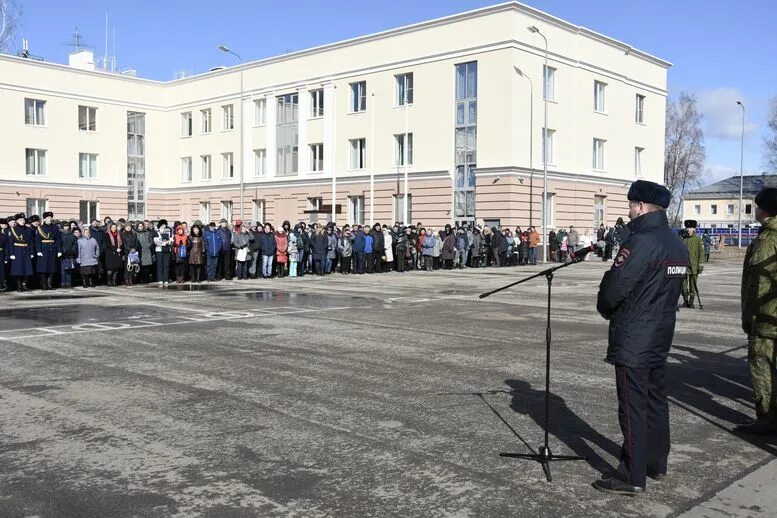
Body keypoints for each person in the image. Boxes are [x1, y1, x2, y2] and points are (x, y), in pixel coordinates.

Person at [594, 180, 688, 495]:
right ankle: (656, 463)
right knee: (656, 400)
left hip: (635, 333)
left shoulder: (640, 241)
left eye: (631, 205)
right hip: (661, 331)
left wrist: (604, 305)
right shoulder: (676, 242)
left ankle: (632, 475)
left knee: (633, 406)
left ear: (642, 206)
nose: (630, 210)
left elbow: (615, 289)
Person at [739, 187, 777, 436]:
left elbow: (758, 285)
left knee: (762, 368)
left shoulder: (767, 240)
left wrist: (750, 318)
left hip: (767, 319)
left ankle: (767, 420)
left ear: (763, 209)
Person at [680, 220, 704, 309]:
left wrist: (700, 265)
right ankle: (685, 301)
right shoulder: (683, 239)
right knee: (683, 285)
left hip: (694, 266)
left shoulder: (698, 239)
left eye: (691, 228)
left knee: (693, 286)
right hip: (684, 266)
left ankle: (691, 302)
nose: (689, 229)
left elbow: (701, 253)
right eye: (687, 228)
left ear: (694, 229)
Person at [34, 211, 61, 290]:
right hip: (43, 250)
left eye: (50, 218)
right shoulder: (40, 228)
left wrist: (59, 250)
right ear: (44, 219)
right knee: (43, 269)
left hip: (52, 249)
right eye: (48, 218)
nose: (49, 219)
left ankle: (49, 284)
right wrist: (38, 250)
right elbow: (37, 240)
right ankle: (44, 285)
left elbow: (58, 240)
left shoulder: (55, 228)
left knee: (51, 268)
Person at [8, 213, 35, 291]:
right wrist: (12, 253)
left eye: (23, 220)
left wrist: (32, 252)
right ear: (17, 221)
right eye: (20, 220)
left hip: (26, 250)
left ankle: (24, 284)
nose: (22, 221)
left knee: (27, 269)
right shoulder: (12, 229)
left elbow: (30, 242)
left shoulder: (28, 229)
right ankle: (19, 285)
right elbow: (10, 243)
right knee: (18, 269)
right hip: (17, 250)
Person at [153, 219, 172, 287]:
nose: (164, 226)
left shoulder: (169, 231)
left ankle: (166, 279)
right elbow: (156, 241)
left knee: (166, 265)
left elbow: (171, 239)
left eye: (165, 225)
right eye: (162, 225)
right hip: (159, 250)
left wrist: (169, 242)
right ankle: (160, 279)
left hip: (167, 250)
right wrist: (164, 243)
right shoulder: (157, 232)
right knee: (160, 265)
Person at [60, 223, 79, 289]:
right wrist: (62, 251)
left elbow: (75, 243)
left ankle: (68, 283)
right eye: (65, 226)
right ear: (63, 227)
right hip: (63, 254)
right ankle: (63, 283)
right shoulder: (60, 234)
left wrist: (72, 251)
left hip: (70, 254)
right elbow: (59, 243)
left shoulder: (72, 234)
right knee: (63, 269)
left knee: (69, 269)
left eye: (67, 226)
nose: (66, 227)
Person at [121, 222, 141, 286]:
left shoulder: (134, 234)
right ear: (125, 227)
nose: (128, 228)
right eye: (127, 227)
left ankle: (130, 279)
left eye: (129, 226)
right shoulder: (123, 234)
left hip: (134, 252)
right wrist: (129, 249)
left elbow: (136, 242)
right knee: (127, 267)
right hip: (127, 252)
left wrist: (134, 249)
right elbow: (124, 244)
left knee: (133, 266)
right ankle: (126, 279)